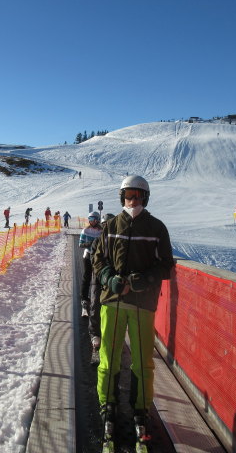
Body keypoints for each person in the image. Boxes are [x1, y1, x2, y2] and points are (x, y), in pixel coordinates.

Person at [93, 175, 173, 444]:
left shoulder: (156, 228)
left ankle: (140, 409)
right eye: (129, 195)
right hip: (113, 302)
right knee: (108, 358)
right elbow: (98, 258)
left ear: (145, 198)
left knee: (142, 361)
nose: (133, 200)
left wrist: (143, 280)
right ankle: (108, 404)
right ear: (122, 197)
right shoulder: (111, 225)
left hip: (141, 305)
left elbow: (166, 266)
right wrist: (107, 278)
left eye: (138, 195)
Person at [88, 213, 115, 366]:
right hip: (98, 280)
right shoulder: (97, 242)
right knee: (95, 306)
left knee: (110, 311)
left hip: (111, 283)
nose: (106, 228)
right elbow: (94, 260)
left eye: (109, 225)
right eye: (104, 225)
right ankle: (95, 339)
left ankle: (108, 341)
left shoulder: (118, 243)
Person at [79, 211, 102, 318]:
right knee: (87, 276)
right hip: (88, 256)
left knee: (98, 277)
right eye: (90, 220)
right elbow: (81, 244)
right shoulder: (85, 230)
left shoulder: (101, 231)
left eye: (94, 219)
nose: (92, 222)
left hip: (98, 257)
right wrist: (91, 244)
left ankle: (98, 297)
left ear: (98, 220)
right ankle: (84, 298)